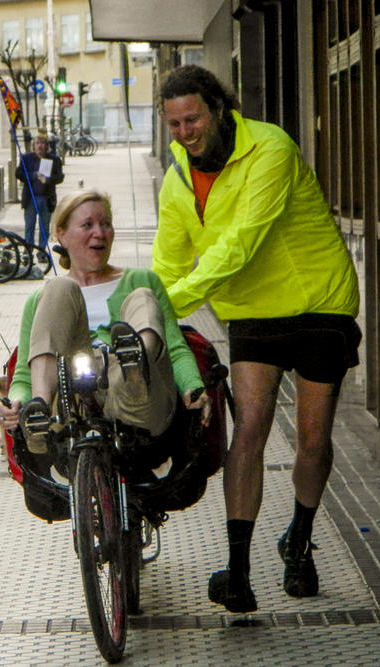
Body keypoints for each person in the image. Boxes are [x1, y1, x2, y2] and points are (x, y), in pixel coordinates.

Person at [152, 65, 361, 613]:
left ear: (219, 109)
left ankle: (299, 537)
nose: (184, 131)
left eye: (192, 118)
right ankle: (239, 570)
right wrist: (147, 307)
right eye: (173, 123)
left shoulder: (271, 148)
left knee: (312, 440)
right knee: (249, 431)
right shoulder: (177, 178)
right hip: (250, 311)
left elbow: (242, 242)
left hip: (318, 301)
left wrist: (172, 303)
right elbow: (169, 260)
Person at [0, 189, 210, 481]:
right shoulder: (41, 300)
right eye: (88, 225)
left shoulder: (140, 279)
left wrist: (193, 386)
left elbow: (174, 347)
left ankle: (136, 365)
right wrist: (15, 402)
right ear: (62, 236)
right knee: (56, 288)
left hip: (138, 404)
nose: (100, 233)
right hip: (72, 403)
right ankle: (40, 411)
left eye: (106, 224)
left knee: (142, 295)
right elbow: (22, 374)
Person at [16, 133, 64, 249]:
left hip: (46, 198)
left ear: (47, 146)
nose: (39, 146)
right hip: (31, 198)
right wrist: (33, 175)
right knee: (29, 226)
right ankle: (28, 251)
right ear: (33, 146)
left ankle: (41, 251)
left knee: (44, 227)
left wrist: (48, 180)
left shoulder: (54, 159)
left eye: (42, 143)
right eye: (37, 143)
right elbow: (18, 174)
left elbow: (60, 177)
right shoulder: (26, 159)